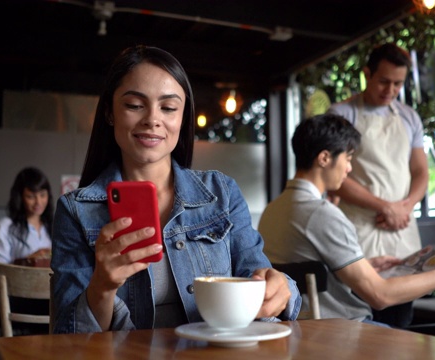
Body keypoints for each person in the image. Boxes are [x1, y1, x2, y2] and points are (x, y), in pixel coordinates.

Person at [50, 45, 300, 333]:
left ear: (182, 118)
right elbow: (69, 335)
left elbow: (257, 277)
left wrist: (280, 289)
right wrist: (102, 288)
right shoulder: (76, 211)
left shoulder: (222, 193)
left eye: (168, 108)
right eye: (134, 105)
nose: (152, 119)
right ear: (109, 112)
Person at [258, 113, 435, 326]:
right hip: (338, 329)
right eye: (348, 158)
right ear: (324, 158)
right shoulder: (322, 213)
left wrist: (365, 265)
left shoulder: (272, 210)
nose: (349, 168)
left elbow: (308, 268)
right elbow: (380, 296)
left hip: (294, 328)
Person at [327, 43, 429, 327]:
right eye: (384, 81)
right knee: (360, 323)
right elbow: (335, 179)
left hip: (402, 229)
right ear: (367, 73)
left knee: (401, 324)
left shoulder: (410, 117)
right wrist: (385, 206)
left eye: (398, 84)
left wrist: (405, 206)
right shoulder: (342, 113)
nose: (391, 90)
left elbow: (421, 172)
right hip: (359, 230)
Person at [0, 166, 54, 335]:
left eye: (42, 195)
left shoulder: (53, 227)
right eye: (31, 196)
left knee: (66, 304)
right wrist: (29, 260)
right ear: (20, 197)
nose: (38, 202)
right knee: (53, 307)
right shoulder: (5, 227)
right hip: (7, 297)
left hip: (44, 295)